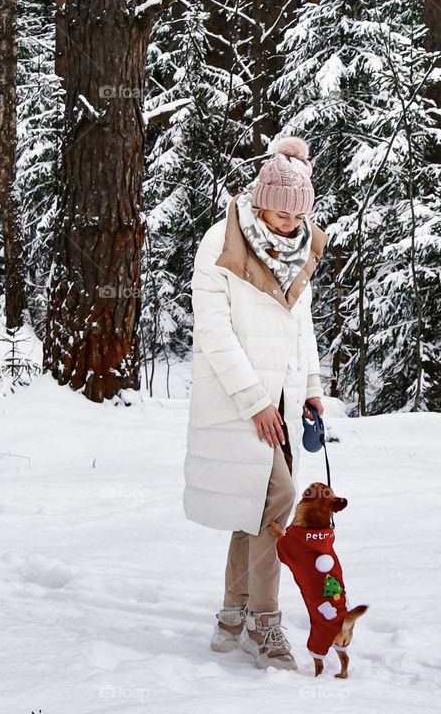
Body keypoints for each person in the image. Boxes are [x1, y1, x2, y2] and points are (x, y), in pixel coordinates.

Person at [183, 136, 327, 670]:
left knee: (256, 504)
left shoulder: (301, 247)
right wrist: (254, 402)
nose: (289, 225)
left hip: (283, 402)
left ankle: (232, 613)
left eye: (298, 216)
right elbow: (214, 333)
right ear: (260, 201)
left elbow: (301, 325)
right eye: (281, 214)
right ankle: (264, 620)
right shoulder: (221, 243)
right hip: (236, 401)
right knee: (280, 496)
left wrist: (310, 388)